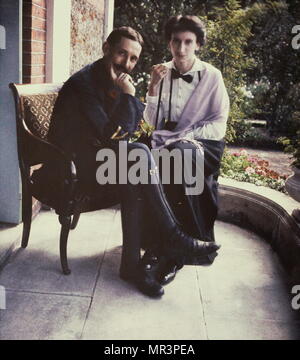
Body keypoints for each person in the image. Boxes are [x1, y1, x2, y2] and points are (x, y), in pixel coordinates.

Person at [31, 26, 220, 298]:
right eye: (122, 54)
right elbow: (112, 135)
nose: (127, 64)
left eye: (133, 59)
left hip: (95, 162)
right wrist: (129, 97)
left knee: (137, 161)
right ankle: (173, 238)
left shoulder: (110, 80)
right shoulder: (83, 84)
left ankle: (134, 263)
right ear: (106, 49)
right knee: (137, 159)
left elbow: (126, 133)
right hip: (66, 170)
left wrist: (127, 105)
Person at [143, 16, 230, 285]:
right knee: (141, 157)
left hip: (205, 143)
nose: (181, 49)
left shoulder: (212, 76)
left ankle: (172, 252)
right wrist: (153, 89)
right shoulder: (161, 72)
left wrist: (185, 137)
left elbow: (219, 124)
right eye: (176, 41)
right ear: (169, 43)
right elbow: (150, 123)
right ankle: (165, 241)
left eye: (188, 42)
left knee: (177, 156)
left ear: (198, 45)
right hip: (167, 141)